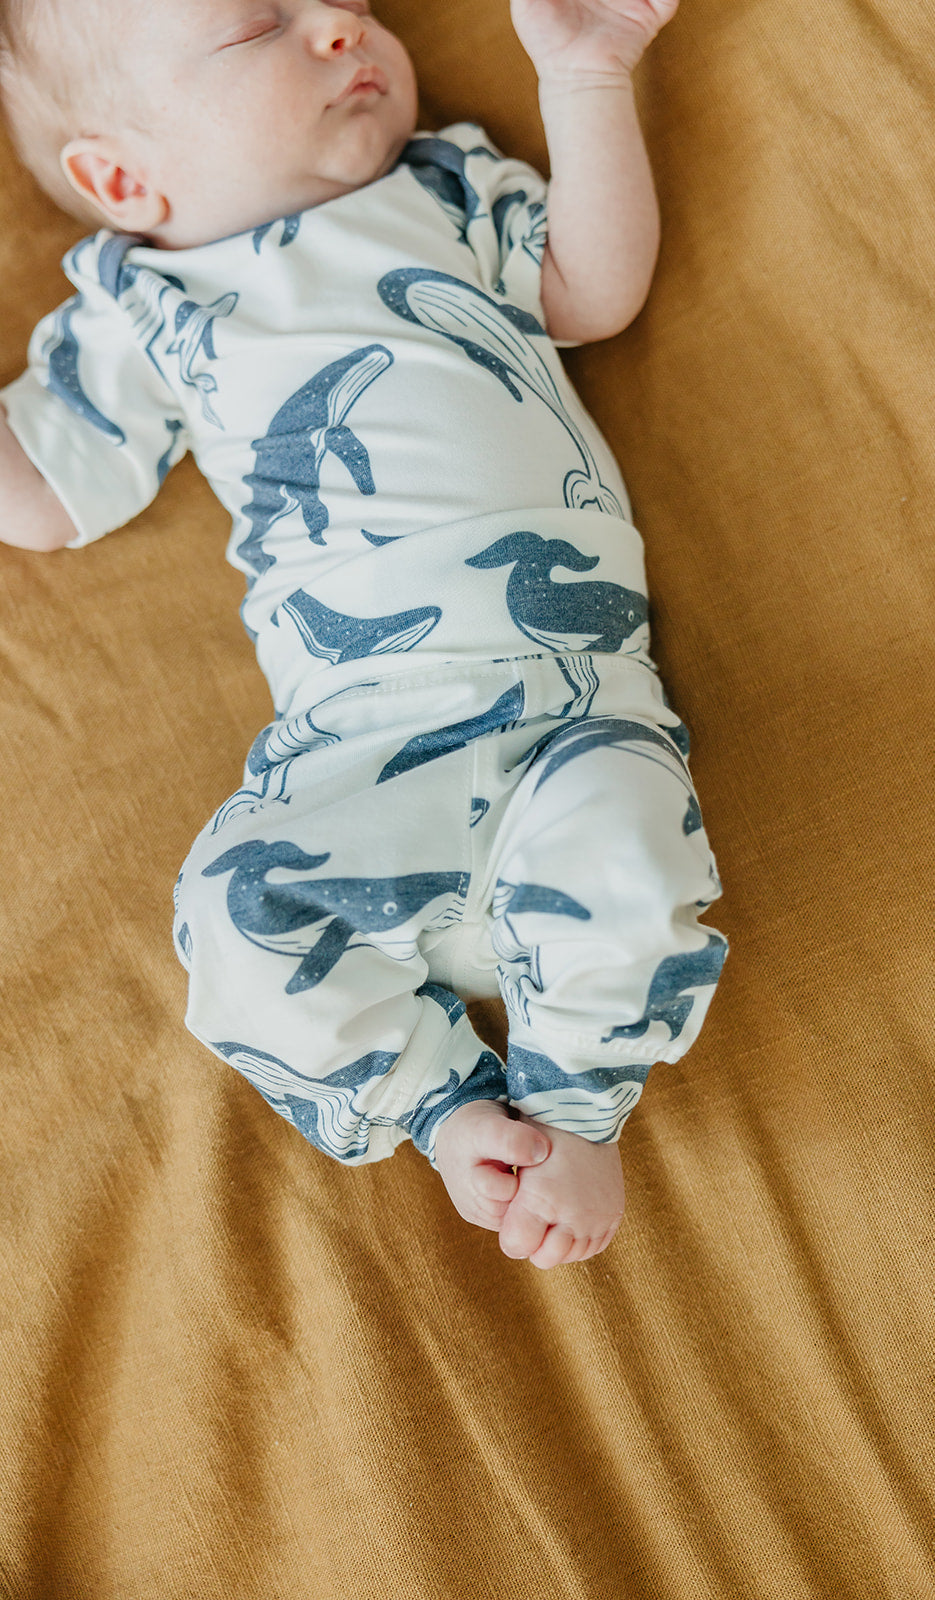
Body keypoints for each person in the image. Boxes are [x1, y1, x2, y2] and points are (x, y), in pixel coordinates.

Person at [0, 0, 726, 1269]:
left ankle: (571, 1108)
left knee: (625, 816)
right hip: (361, 761)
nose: (342, 26)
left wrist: (587, 77)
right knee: (231, 912)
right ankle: (448, 1114)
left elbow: (590, 290)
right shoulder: (144, 303)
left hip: (571, 714)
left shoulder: (443, 184)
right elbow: (42, 497)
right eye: (259, 27)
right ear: (120, 180)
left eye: (349, 3)